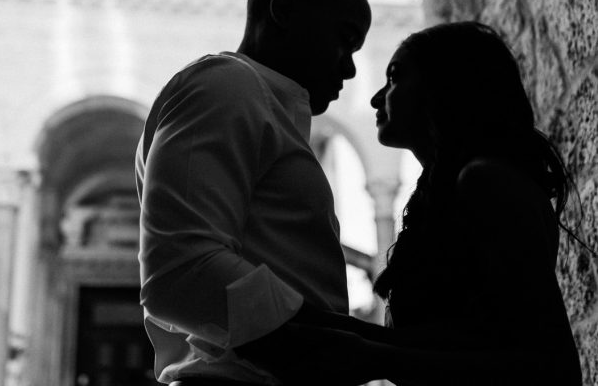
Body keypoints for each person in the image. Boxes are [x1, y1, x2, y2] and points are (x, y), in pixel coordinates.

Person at [240, 21, 583, 385]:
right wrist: (312, 324)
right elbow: (458, 340)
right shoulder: (447, 195)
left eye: (395, 78)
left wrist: (376, 358)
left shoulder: (487, 182)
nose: (376, 98)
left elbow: (549, 363)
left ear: (446, 85)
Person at [136, 0, 372, 385]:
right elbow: (182, 273)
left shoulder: (257, 101)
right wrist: (354, 347)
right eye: (344, 38)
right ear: (284, 11)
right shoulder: (225, 85)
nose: (350, 68)